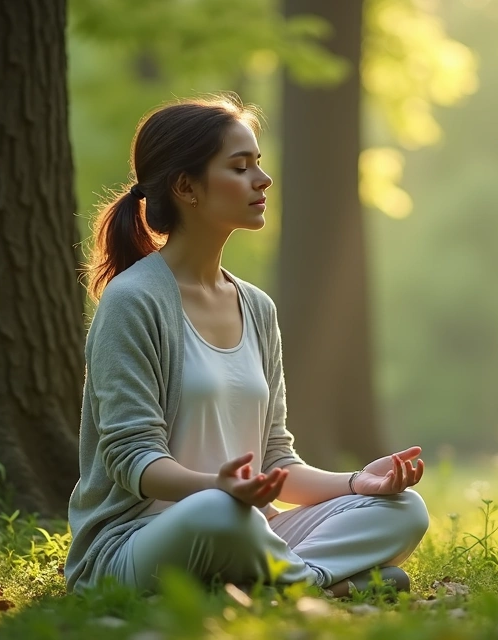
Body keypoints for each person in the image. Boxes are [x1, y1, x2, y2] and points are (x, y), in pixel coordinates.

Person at [64, 94, 429, 596]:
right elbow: (134, 463)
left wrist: (355, 483)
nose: (263, 180)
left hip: (249, 529)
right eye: (240, 167)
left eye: (258, 163)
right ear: (187, 187)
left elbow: (277, 461)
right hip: (135, 544)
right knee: (218, 512)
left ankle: (283, 584)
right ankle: (315, 586)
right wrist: (219, 487)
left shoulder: (256, 308)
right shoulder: (133, 301)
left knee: (404, 509)